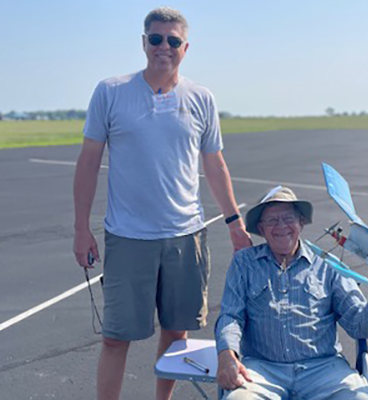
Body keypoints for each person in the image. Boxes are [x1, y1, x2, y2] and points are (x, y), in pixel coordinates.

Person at [72, 7, 251, 400]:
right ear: (143, 43)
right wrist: (81, 228)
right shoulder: (111, 92)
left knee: (177, 333)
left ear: (185, 47)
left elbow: (214, 164)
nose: (163, 47)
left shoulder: (201, 98)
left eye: (173, 41)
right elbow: (88, 162)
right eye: (156, 39)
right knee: (116, 338)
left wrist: (234, 221)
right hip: (128, 237)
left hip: (186, 235)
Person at [215, 186, 368, 400]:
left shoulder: (329, 265)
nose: (281, 226)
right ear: (261, 228)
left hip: (324, 370)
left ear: (301, 222)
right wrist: (227, 355)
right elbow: (230, 316)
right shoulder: (244, 263)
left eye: (288, 218)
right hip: (262, 370)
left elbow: (360, 327)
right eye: (272, 221)